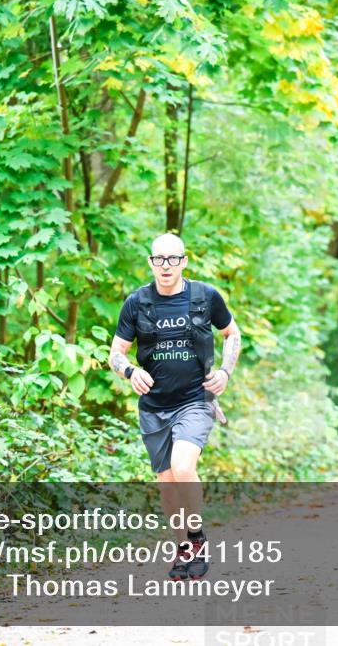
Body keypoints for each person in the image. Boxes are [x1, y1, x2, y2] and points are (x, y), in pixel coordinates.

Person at [109, 233, 242, 579]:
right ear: (151, 263)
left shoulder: (205, 297)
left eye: (172, 259)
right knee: (168, 483)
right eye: (159, 259)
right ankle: (183, 549)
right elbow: (115, 354)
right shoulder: (137, 303)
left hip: (194, 401)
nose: (165, 266)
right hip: (154, 407)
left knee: (183, 467)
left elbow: (233, 333)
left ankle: (197, 541)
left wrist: (226, 372)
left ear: (183, 261)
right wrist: (129, 371)